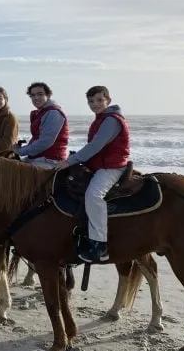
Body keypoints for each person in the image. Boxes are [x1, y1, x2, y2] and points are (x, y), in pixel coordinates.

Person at [55, 85, 130, 264]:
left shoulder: (111, 120)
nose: (94, 104)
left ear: (108, 101)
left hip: (112, 167)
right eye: (91, 101)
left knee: (94, 195)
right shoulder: (101, 119)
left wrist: (69, 161)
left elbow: (95, 146)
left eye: (99, 100)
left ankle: (100, 246)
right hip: (101, 165)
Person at [15, 82, 69, 168]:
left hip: (50, 160)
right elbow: (37, 138)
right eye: (33, 95)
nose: (36, 98)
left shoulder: (53, 113)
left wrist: (20, 151)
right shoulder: (41, 113)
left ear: (48, 95)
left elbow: (45, 142)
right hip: (38, 158)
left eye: (40, 94)